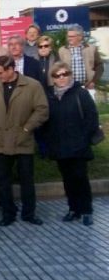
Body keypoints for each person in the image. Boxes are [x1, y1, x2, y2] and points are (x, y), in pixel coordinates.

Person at [0, 56, 48, 227]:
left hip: (23, 140)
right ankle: (8, 213)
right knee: (3, 181)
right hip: (1, 141)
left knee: (26, 180)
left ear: (12, 69)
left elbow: (42, 110)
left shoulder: (32, 85)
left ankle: (29, 213)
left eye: (1, 73)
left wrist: (27, 128)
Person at [43, 62, 99, 226]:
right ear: (53, 78)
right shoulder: (50, 96)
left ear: (70, 75)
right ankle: (73, 209)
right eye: (57, 75)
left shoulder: (80, 93)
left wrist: (84, 139)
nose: (61, 78)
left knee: (80, 178)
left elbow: (92, 118)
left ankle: (87, 210)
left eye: (64, 74)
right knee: (67, 179)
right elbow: (46, 121)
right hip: (60, 146)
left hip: (78, 145)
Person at [58, 25, 104, 91]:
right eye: (68, 36)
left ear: (80, 37)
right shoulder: (62, 50)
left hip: (88, 86)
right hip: (68, 87)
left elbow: (100, 66)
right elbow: (58, 68)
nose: (69, 38)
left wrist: (93, 81)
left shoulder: (91, 49)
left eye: (72, 36)